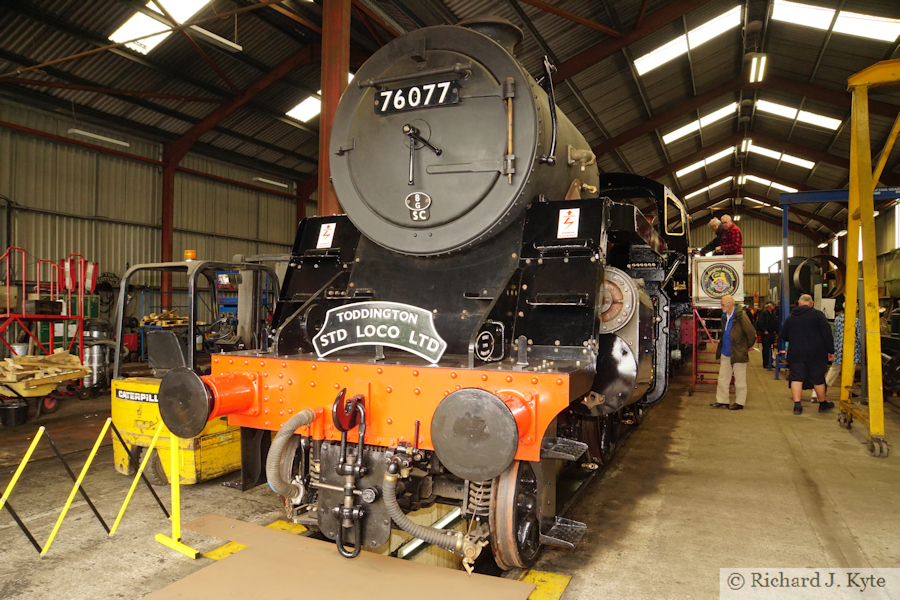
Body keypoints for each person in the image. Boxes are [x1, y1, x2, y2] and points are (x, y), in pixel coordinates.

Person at [780, 294, 834, 415]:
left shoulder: (791, 317)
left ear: (798, 303)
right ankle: (823, 404)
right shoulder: (818, 315)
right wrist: (831, 351)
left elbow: (783, 336)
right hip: (816, 354)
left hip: (796, 353)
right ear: (812, 303)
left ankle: (797, 406)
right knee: (818, 379)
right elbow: (827, 334)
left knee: (796, 378)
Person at [711, 295, 757, 411]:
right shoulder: (725, 316)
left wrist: (745, 347)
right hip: (726, 352)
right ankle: (722, 400)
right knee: (723, 378)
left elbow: (751, 334)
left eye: (723, 305)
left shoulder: (742, 317)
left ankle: (739, 402)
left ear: (730, 303)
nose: (721, 307)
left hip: (738, 353)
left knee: (740, 379)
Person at [825, 310, 861, 400]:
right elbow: (859, 336)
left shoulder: (837, 319)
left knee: (835, 368)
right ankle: (848, 390)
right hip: (851, 348)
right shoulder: (856, 320)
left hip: (838, 347)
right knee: (850, 369)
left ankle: (824, 386)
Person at [757, 301, 779, 369]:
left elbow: (775, 322)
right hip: (766, 334)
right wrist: (764, 330)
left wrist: (775, 331)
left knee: (771, 348)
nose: (774, 306)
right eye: (773, 305)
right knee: (766, 348)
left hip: (772, 333)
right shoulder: (763, 313)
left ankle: (770, 362)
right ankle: (765, 363)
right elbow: (760, 323)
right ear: (769, 306)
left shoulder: (773, 313)